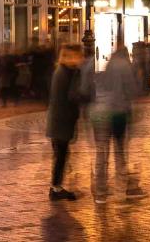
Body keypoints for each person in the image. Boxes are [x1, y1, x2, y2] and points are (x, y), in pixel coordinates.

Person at [85, 44, 146, 203]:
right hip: (117, 113)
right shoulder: (124, 65)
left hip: (98, 114)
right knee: (119, 153)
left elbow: (86, 89)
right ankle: (122, 190)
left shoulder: (98, 64)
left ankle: (100, 193)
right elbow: (133, 91)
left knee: (101, 153)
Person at [46, 42, 86, 200]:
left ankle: (56, 187)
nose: (81, 58)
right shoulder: (66, 73)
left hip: (59, 121)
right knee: (61, 156)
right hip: (61, 121)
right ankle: (56, 189)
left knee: (61, 155)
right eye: (78, 55)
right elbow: (72, 96)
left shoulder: (63, 71)